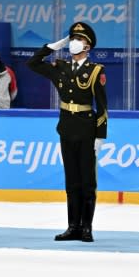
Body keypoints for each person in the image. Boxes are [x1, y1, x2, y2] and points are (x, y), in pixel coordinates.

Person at [27, 22, 107, 242]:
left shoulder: (95, 71)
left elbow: (102, 106)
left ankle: (86, 227)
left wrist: (101, 135)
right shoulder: (60, 68)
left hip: (87, 128)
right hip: (67, 128)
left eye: (78, 39)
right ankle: (73, 226)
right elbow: (32, 63)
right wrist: (52, 46)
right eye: (72, 39)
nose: (73, 43)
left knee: (87, 181)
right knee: (72, 180)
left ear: (88, 46)